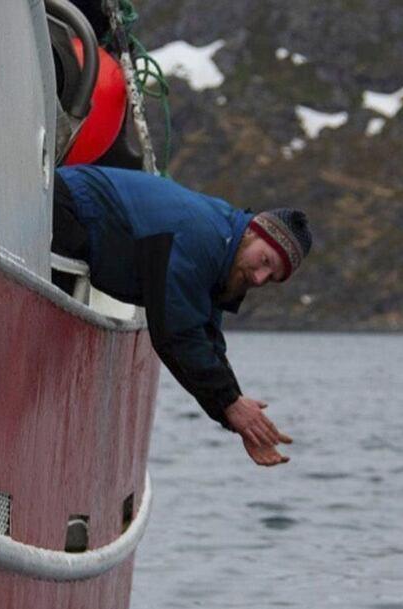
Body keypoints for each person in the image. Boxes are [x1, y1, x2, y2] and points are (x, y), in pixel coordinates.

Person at [52, 165, 312, 467]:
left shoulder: (224, 250)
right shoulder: (201, 236)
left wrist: (237, 412)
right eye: (265, 261)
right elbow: (176, 333)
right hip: (67, 205)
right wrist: (230, 405)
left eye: (271, 277)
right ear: (253, 231)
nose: (259, 277)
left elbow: (206, 338)